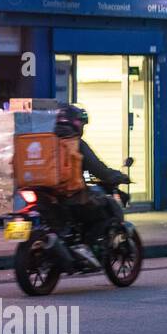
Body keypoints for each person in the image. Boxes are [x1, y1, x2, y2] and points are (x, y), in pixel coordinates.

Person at [54, 104, 129, 269]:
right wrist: (118, 176)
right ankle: (87, 245)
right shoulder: (76, 144)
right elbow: (98, 169)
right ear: (75, 123)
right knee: (107, 208)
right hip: (71, 195)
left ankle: (74, 244)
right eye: (81, 123)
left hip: (48, 196)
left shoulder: (47, 141)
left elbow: (85, 172)